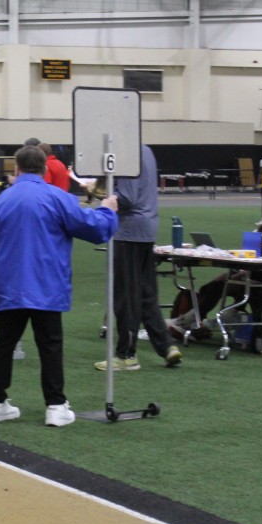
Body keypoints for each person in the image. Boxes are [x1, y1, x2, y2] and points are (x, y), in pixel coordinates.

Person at [0, 145, 119, 427]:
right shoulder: (57, 197)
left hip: (10, 283)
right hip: (45, 282)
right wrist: (107, 211)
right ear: (44, 169)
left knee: (4, 342)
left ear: (16, 168)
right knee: (50, 344)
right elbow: (94, 229)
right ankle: (55, 405)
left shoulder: (1, 200)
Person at [97, 144, 183, 371]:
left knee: (125, 296)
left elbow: (127, 198)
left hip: (129, 231)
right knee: (146, 293)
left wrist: (103, 198)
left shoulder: (125, 151)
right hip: (146, 228)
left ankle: (126, 354)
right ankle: (167, 346)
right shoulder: (145, 150)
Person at [167, 195, 262, 337]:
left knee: (221, 284)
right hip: (253, 271)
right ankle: (195, 321)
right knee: (212, 285)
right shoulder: (261, 230)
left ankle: (191, 321)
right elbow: (249, 251)